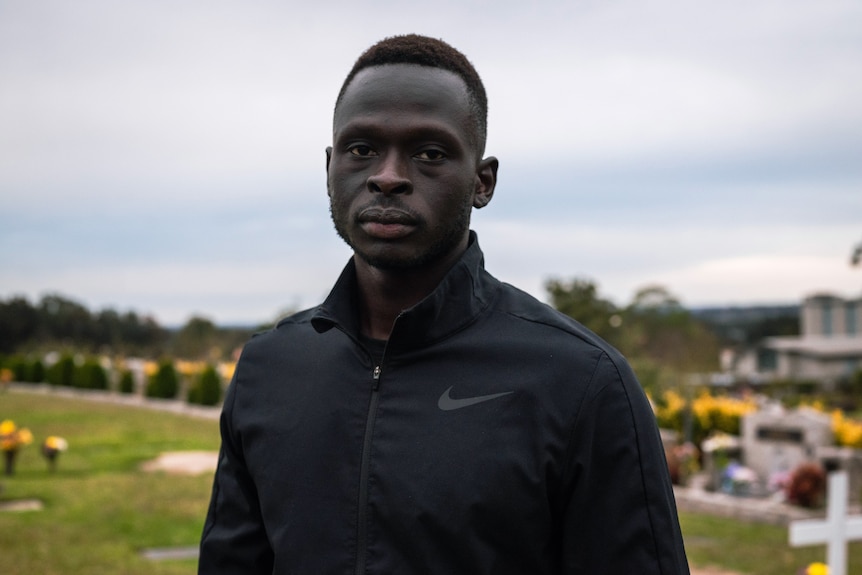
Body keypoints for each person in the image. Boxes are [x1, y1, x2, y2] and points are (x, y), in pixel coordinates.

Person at [199, 34, 690, 574]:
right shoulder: (269, 369)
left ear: (483, 182)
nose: (387, 176)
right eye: (361, 149)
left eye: (429, 154)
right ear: (329, 167)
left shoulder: (583, 383)